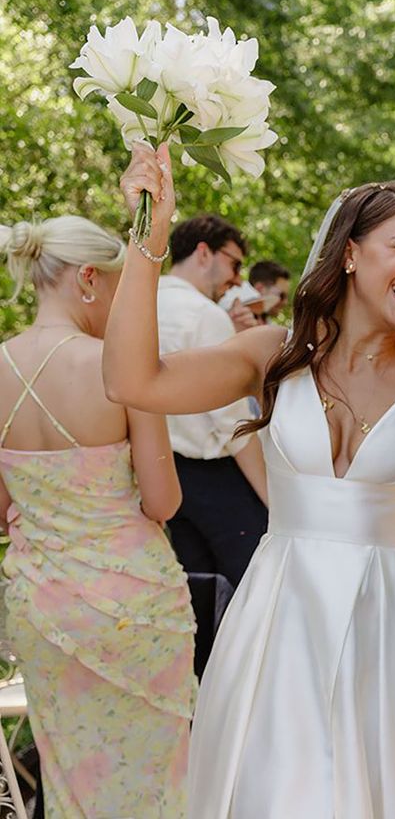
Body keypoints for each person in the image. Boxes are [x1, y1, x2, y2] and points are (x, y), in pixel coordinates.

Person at [103, 145, 395, 818]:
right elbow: (133, 381)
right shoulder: (273, 354)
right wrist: (146, 244)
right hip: (279, 624)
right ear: (351, 252)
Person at [0, 216, 196, 819]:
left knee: (69, 778)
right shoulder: (119, 366)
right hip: (135, 604)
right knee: (158, 781)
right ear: (88, 277)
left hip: (44, 605)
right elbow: (163, 501)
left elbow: (3, 512)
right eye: (115, 285)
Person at [157, 214, 269, 590]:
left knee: (199, 593)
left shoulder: (138, 305)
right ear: (204, 252)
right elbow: (233, 425)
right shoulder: (205, 316)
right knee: (256, 586)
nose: (238, 279)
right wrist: (274, 499)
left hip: (163, 476)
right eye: (235, 264)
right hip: (216, 478)